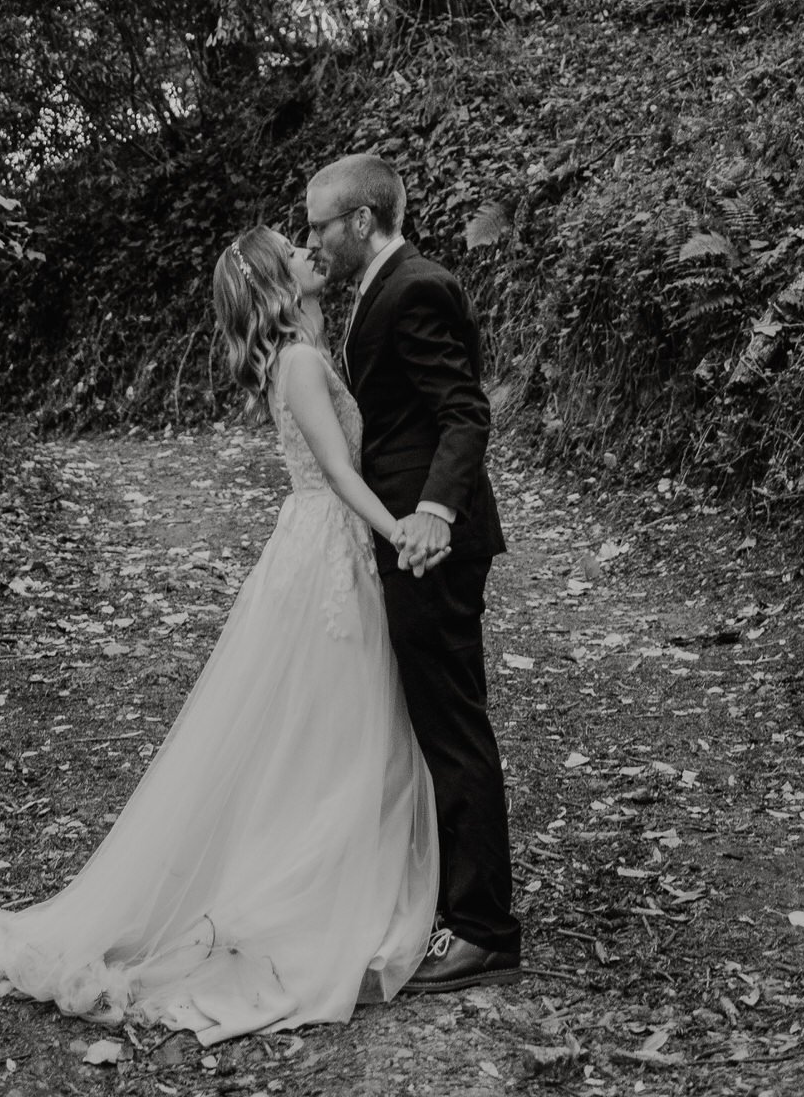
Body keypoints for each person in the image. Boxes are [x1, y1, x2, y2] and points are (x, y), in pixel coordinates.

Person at [0, 224, 438, 1044]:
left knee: (325, 726)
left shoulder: (303, 353)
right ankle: (302, 890)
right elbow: (341, 475)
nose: (311, 252)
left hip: (323, 549)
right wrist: (402, 529)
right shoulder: (302, 363)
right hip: (326, 555)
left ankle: (322, 873)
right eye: (292, 248)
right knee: (330, 728)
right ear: (277, 279)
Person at [305, 151, 521, 992]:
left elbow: (464, 411)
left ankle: (484, 931)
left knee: (452, 726)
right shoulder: (375, 290)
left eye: (320, 223)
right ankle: (455, 905)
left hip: (431, 544)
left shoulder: (418, 285)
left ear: (361, 221)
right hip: (404, 539)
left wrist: (432, 511)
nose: (311, 239)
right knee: (437, 723)